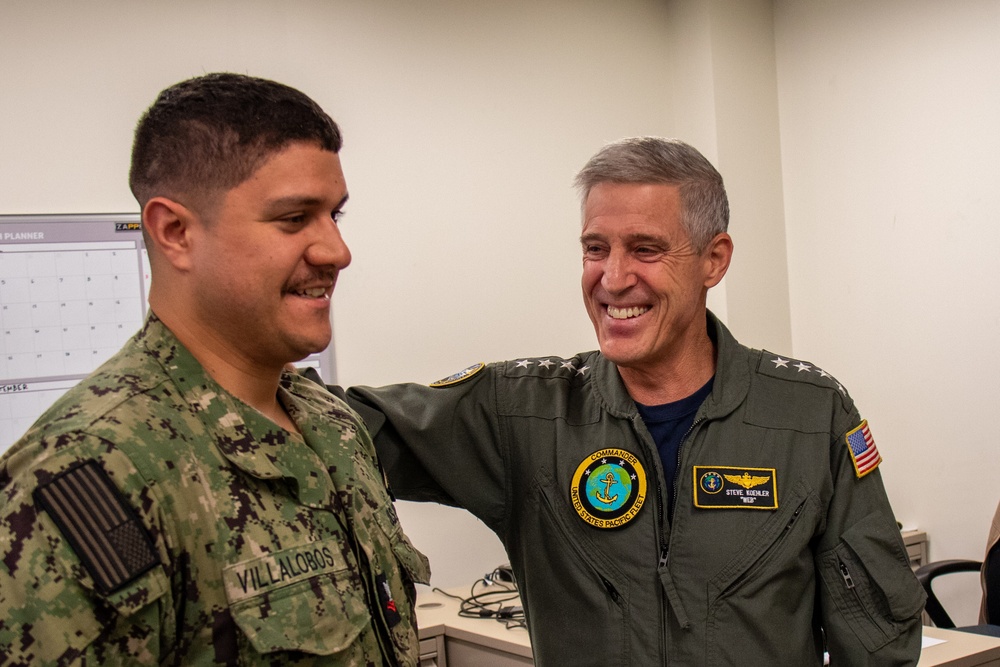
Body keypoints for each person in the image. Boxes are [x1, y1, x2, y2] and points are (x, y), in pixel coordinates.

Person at [344, 137, 925, 664]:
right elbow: (336, 431)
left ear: (713, 260)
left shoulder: (809, 414)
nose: (613, 278)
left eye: (645, 249)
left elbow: (877, 641)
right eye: (596, 248)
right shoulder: (522, 413)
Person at [0, 73, 429, 665]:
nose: (337, 251)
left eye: (335, 215)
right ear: (175, 232)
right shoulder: (90, 474)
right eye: (294, 218)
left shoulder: (332, 424)